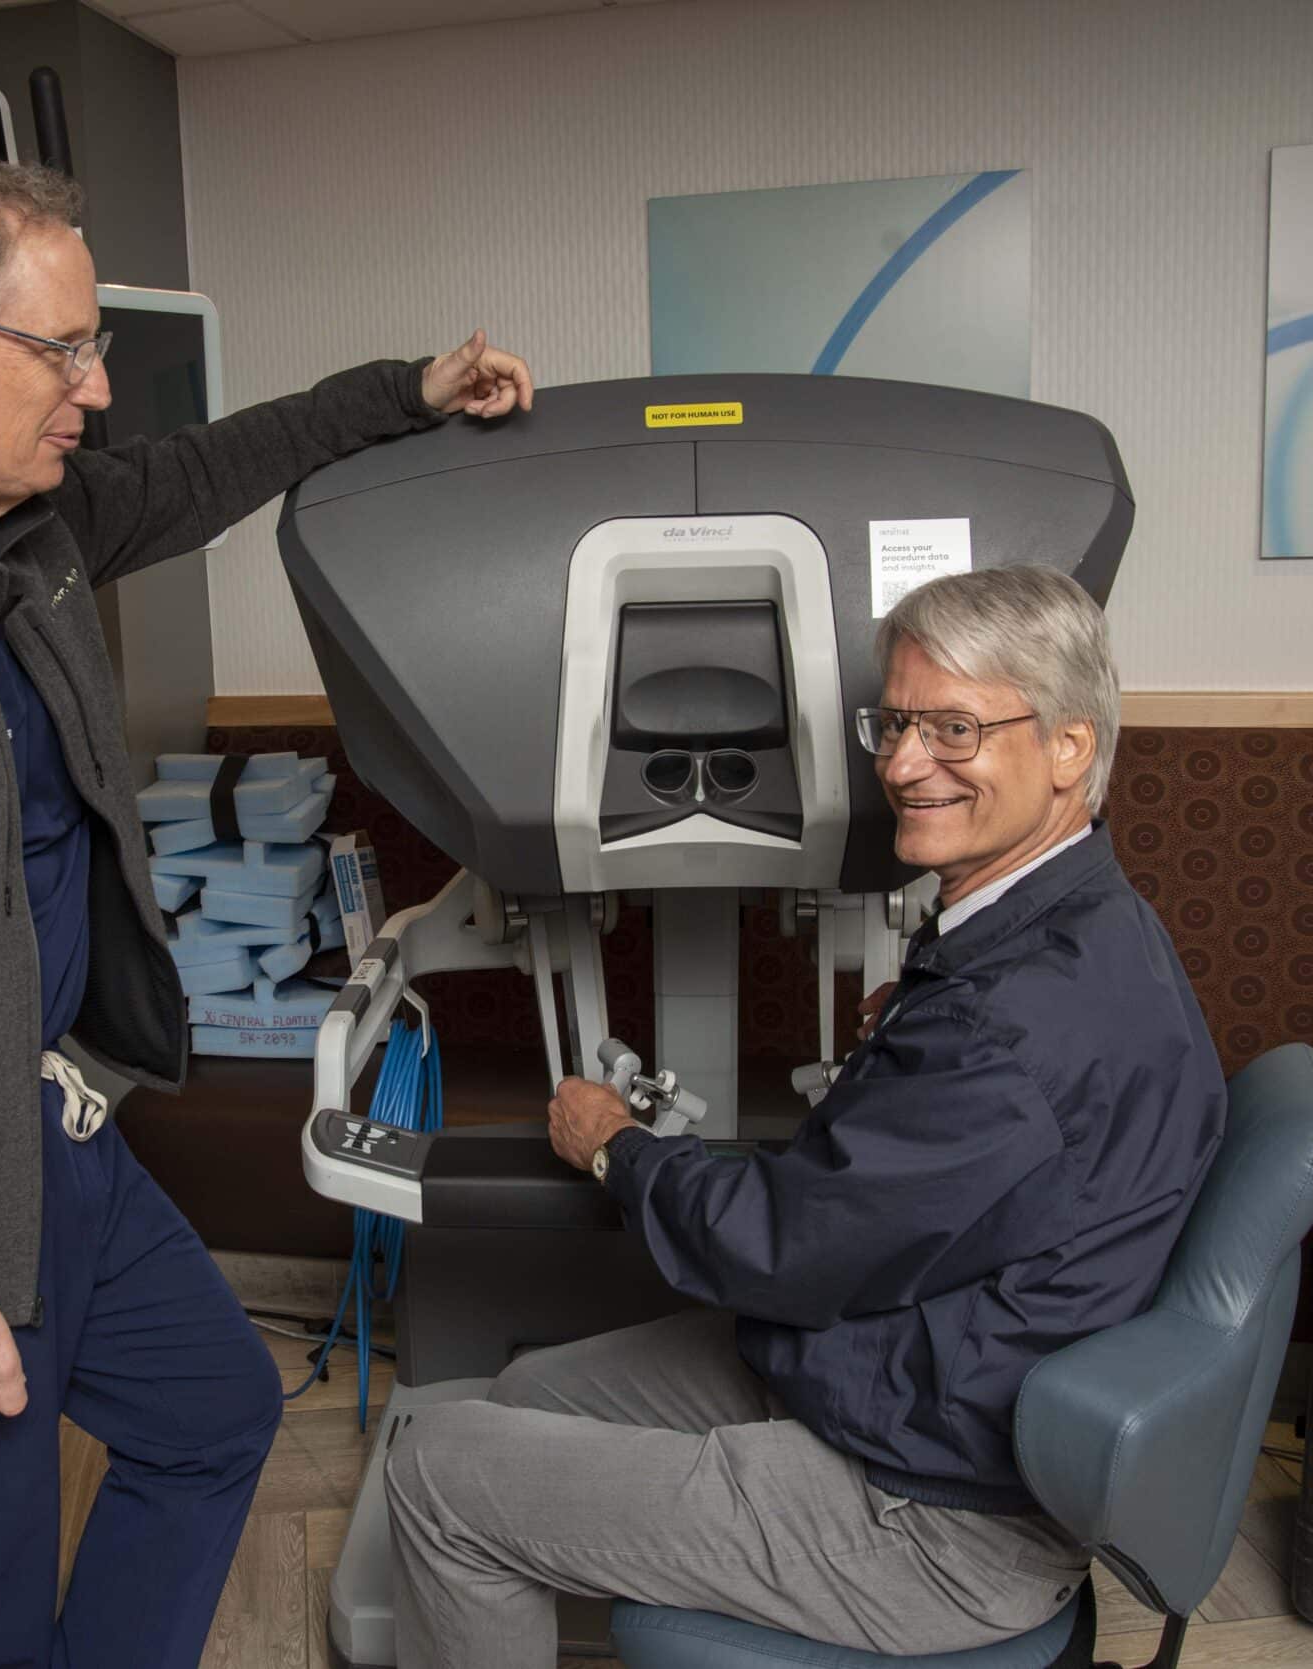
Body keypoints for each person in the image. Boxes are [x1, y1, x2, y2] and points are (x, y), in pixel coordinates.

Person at [0, 158, 532, 1669]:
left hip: (59, 1144)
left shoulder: (30, 529)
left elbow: (215, 466)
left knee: (209, 1417)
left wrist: (407, 388)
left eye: (95, 345)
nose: (96, 385)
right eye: (63, 348)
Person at [384, 564, 1226, 1666]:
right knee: (536, 1387)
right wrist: (905, 1041)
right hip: (922, 1375)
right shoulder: (1073, 925)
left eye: (956, 729)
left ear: (1070, 746)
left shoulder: (1007, 1023)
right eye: (897, 723)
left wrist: (618, 1149)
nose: (905, 763)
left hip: (934, 1516)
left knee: (437, 1466)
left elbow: (787, 1245)